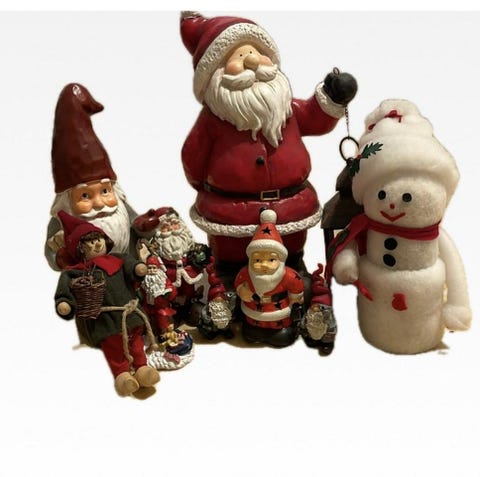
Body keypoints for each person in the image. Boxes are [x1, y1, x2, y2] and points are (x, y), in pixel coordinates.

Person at [180, 12, 358, 280]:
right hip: (232, 211)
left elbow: (314, 117)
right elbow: (193, 160)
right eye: (239, 56)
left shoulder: (284, 109)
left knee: (291, 252)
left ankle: (294, 278)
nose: (252, 61)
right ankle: (228, 283)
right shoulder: (212, 121)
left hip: (289, 205)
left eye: (255, 52)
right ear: (215, 74)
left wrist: (333, 96)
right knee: (231, 257)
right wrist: (212, 188)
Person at [54, 211, 160, 398]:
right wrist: (65, 303)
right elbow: (65, 288)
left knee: (136, 342)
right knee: (114, 348)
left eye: (98, 239)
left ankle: (142, 367)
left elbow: (131, 265)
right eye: (90, 242)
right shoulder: (76, 272)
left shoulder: (119, 258)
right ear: (79, 248)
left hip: (130, 313)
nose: (97, 244)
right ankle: (122, 375)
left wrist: (138, 268)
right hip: (106, 320)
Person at [46, 83, 137, 270]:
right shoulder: (61, 221)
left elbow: (137, 226)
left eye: (105, 191)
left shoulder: (121, 211)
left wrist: (149, 228)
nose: (99, 203)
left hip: (126, 274)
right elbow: (52, 255)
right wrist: (60, 252)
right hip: (87, 281)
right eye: (85, 195)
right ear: (67, 201)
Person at [234, 209, 304, 347]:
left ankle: (280, 332)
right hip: (254, 311)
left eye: (271, 260)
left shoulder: (288, 275)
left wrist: (296, 298)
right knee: (252, 331)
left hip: (279, 312)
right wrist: (242, 290)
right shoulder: (246, 273)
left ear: (280, 259)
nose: (264, 265)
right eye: (257, 260)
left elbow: (297, 286)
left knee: (282, 335)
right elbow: (238, 283)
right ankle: (255, 332)